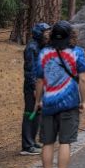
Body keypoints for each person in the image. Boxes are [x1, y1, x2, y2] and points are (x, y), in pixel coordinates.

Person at [35, 20, 85, 168]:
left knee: (47, 142)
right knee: (65, 142)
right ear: (70, 35)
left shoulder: (43, 53)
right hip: (70, 104)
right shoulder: (77, 53)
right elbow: (82, 80)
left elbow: (40, 81)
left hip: (48, 104)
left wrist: (38, 101)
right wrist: (83, 100)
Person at [20, 22, 51, 155]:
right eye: (46, 32)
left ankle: (32, 141)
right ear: (39, 33)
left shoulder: (41, 46)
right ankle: (27, 146)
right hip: (31, 87)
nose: (48, 34)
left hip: (40, 85)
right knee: (30, 114)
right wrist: (33, 89)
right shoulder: (31, 48)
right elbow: (29, 71)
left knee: (37, 112)